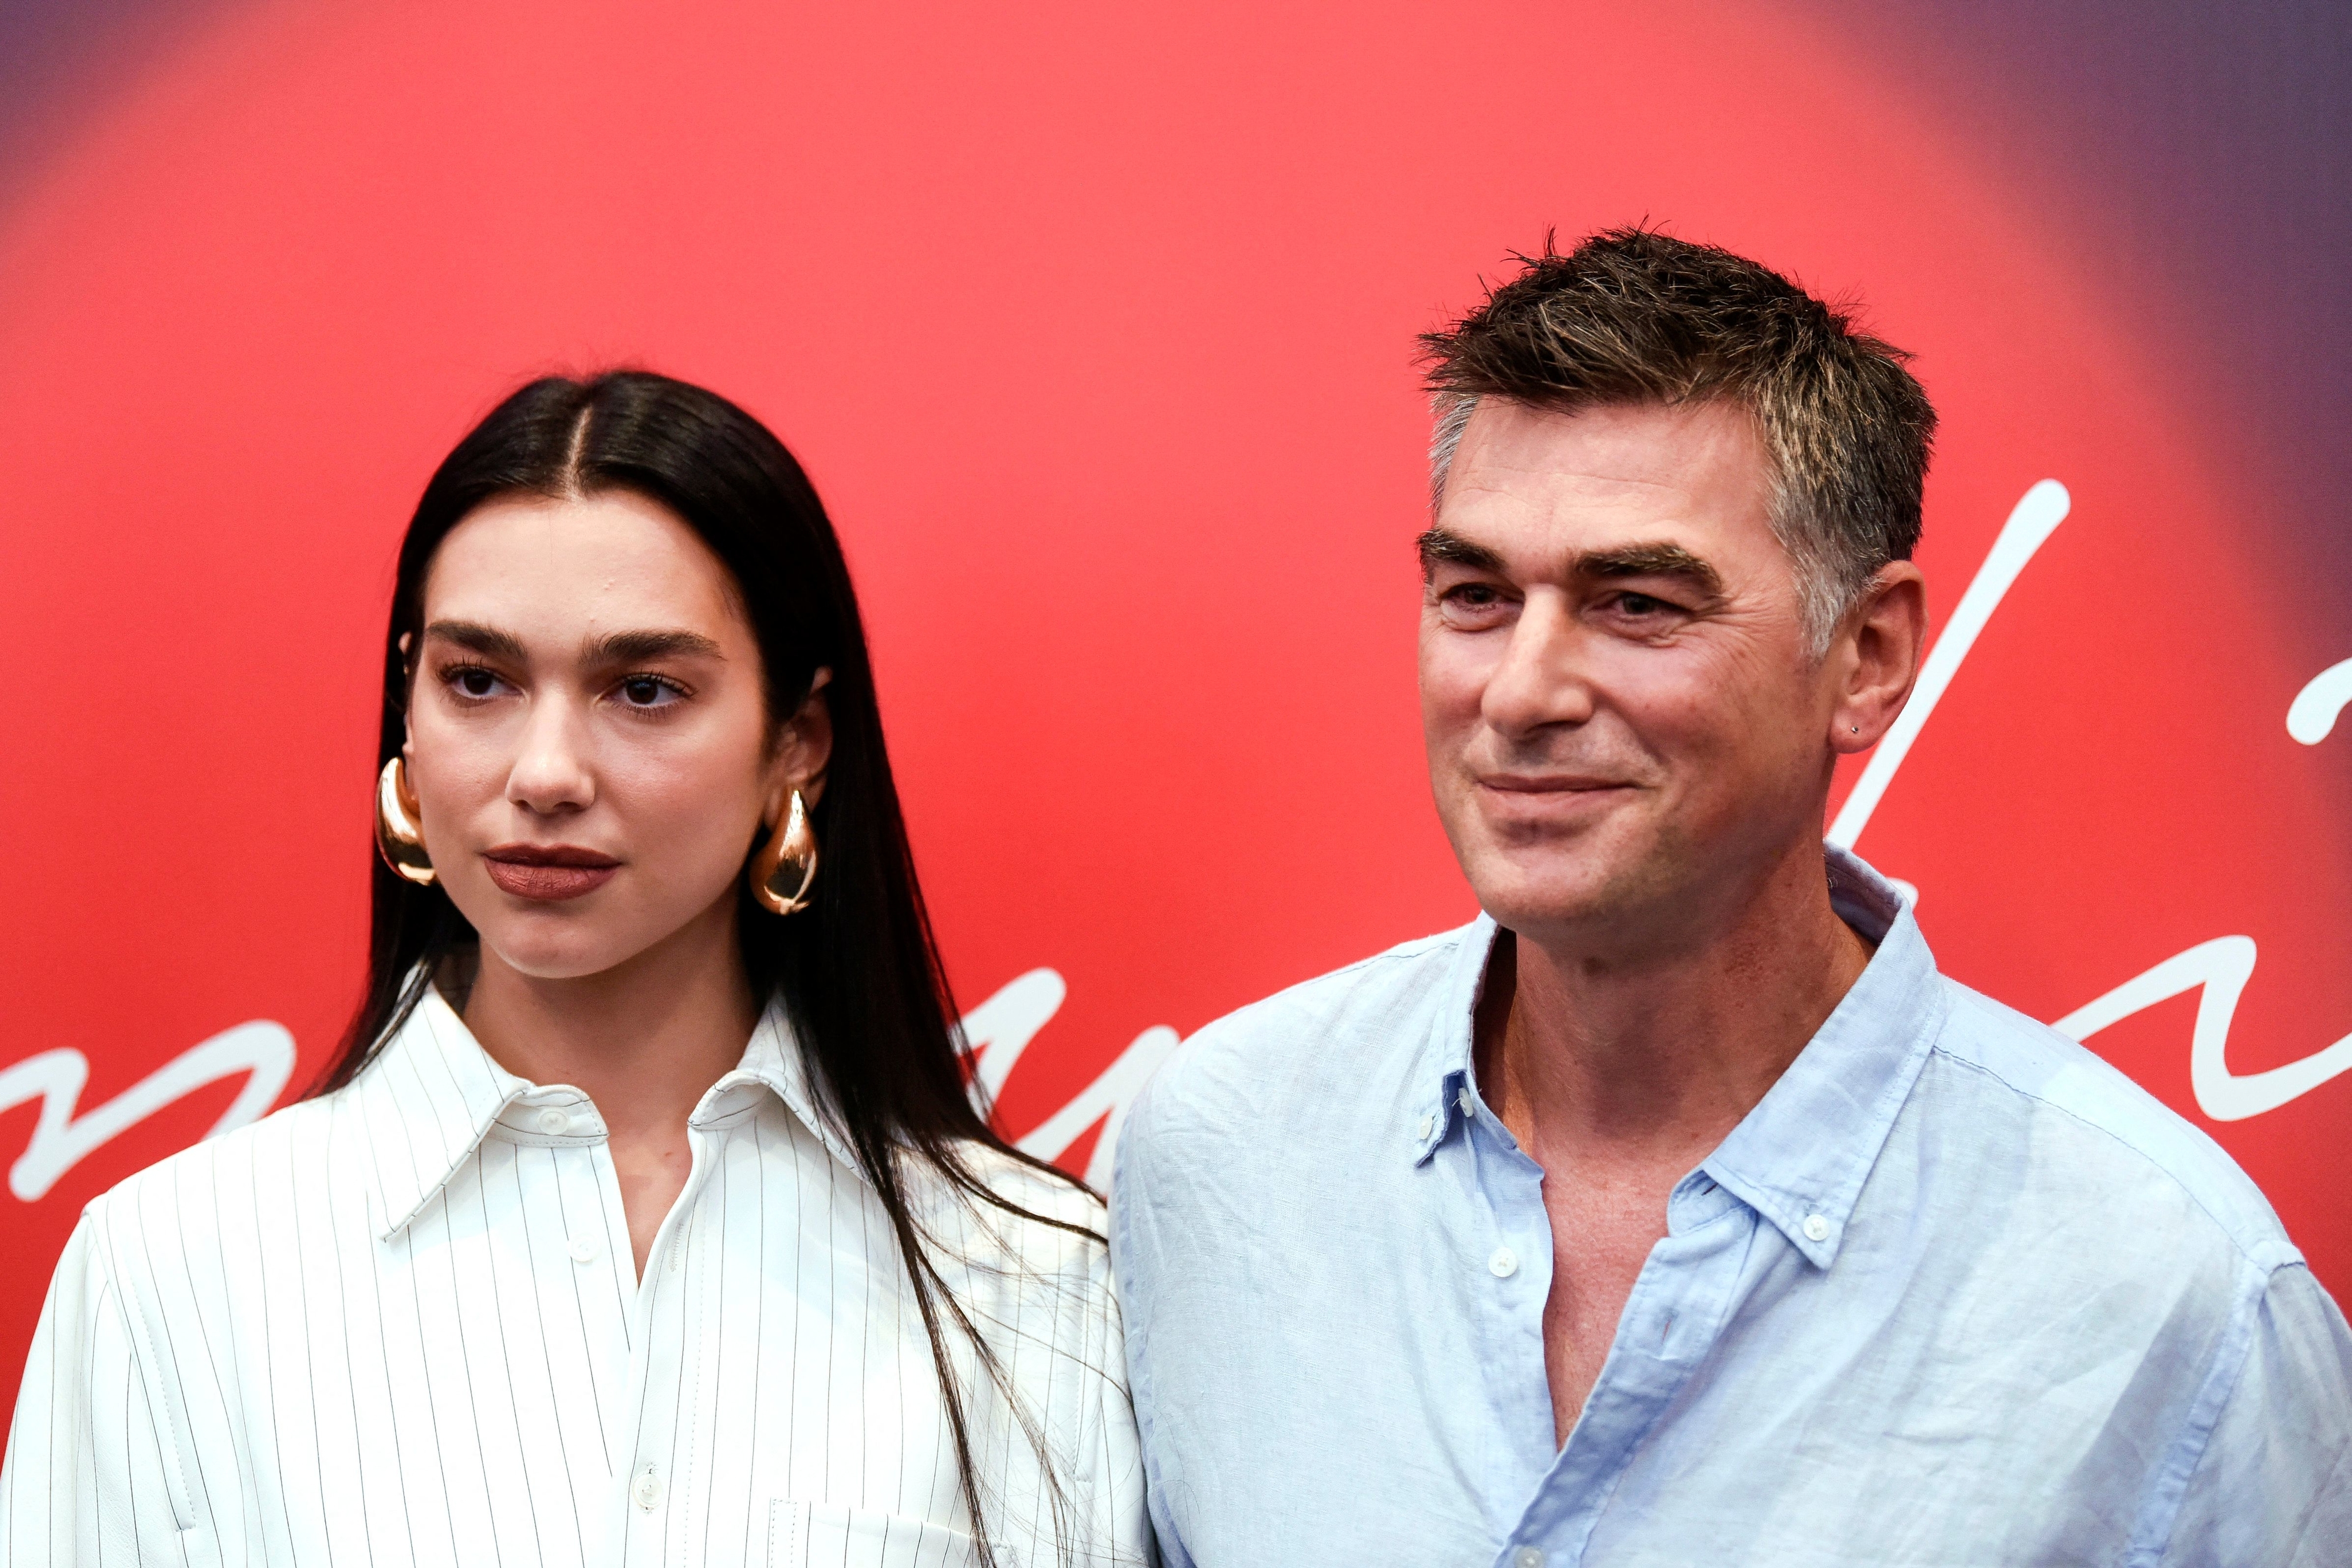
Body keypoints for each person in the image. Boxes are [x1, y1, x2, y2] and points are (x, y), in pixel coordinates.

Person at [1110, 229, 2352, 1566]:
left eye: (1635, 602)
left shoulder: (2174, 1298)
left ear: (1865, 657)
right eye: (1473, 593)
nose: (1521, 691)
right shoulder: (1214, 1156)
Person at [1, 371, 1147, 1567]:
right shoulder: (171, 1267)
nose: (545, 770)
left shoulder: (1033, 1278)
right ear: (406, 702)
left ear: (795, 743)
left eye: (644, 689)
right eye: (477, 680)